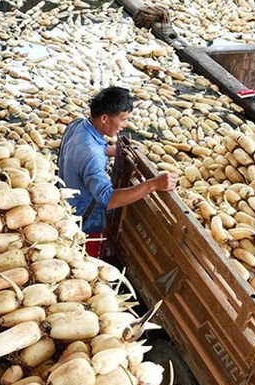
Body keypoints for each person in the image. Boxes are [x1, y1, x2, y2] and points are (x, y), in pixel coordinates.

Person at [57, 87, 178, 258]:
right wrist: (153, 184)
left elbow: (85, 151)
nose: (125, 125)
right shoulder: (92, 156)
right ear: (105, 118)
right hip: (83, 222)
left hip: (64, 205)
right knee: (84, 262)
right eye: (123, 120)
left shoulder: (78, 125)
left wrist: (114, 151)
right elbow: (108, 199)